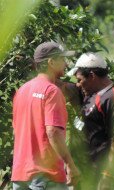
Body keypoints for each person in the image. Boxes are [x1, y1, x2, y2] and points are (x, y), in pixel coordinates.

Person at [11, 41, 80, 190]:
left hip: (20, 175)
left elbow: (16, 130)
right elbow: (53, 132)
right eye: (62, 59)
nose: (65, 64)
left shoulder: (22, 90)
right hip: (46, 176)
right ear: (51, 62)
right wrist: (70, 165)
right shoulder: (52, 91)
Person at [62, 52, 114, 190]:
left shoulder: (111, 97)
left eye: (79, 80)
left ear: (92, 76)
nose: (78, 85)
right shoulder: (89, 90)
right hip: (79, 170)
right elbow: (64, 87)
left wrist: (108, 176)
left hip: (96, 173)